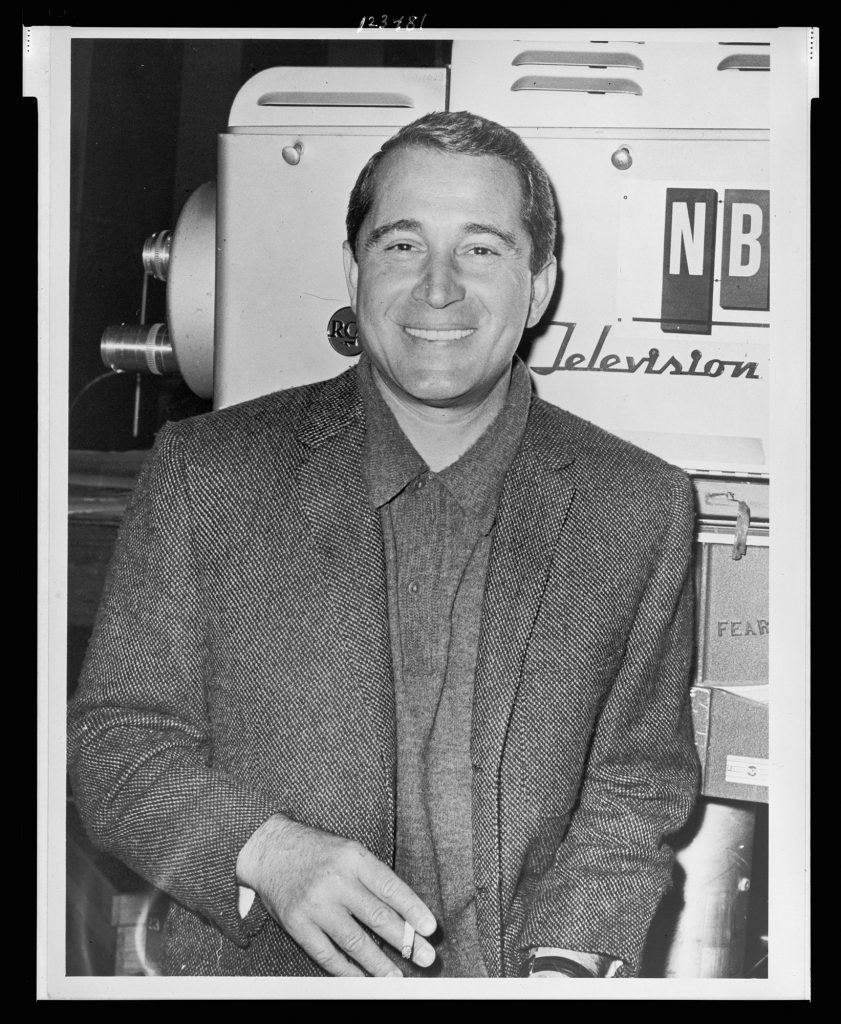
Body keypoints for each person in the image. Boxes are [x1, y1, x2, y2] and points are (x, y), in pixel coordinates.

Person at [68, 110, 700, 980]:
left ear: (540, 282)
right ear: (353, 268)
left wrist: (567, 960)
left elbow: (635, 781)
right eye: (402, 245)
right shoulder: (208, 474)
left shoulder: (638, 506)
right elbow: (114, 741)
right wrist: (265, 851)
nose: (437, 288)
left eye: (482, 249)